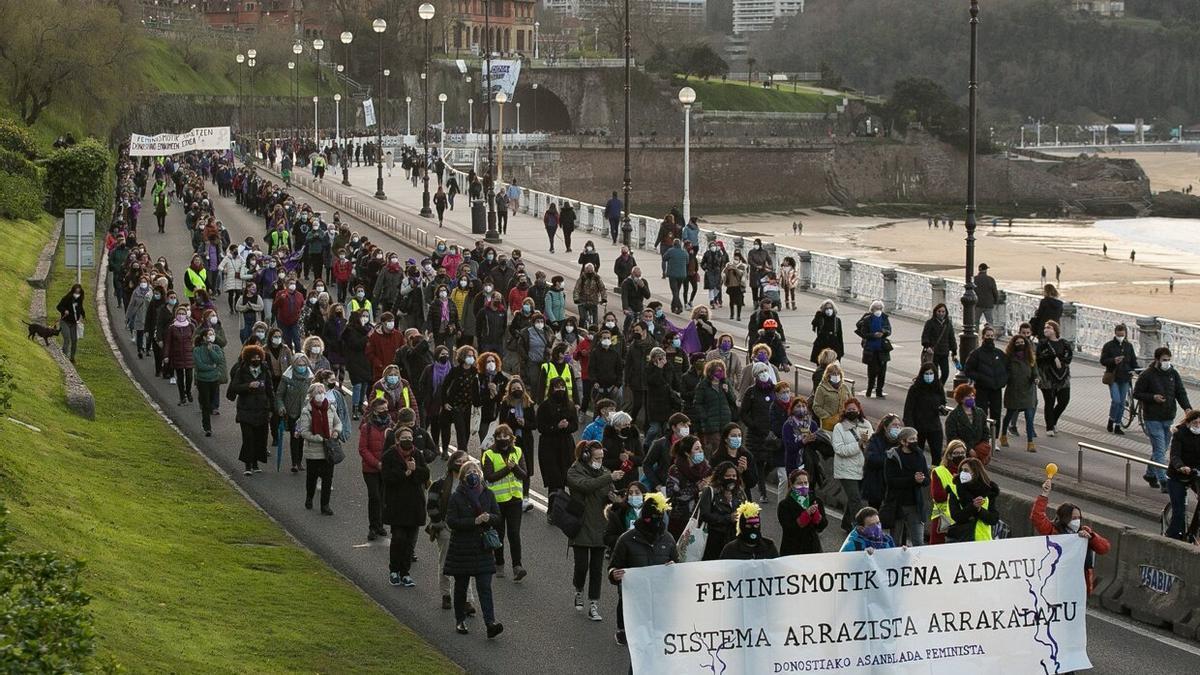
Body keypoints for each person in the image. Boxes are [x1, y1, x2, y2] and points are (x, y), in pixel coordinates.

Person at [443, 460, 504, 639]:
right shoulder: (457, 497)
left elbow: (498, 517)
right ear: (462, 477)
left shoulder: (488, 494)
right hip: (462, 548)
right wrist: (473, 522)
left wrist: (489, 518)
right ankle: (460, 620)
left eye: (475, 470)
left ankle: (490, 622)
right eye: (469, 471)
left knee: (485, 586)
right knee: (461, 586)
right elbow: (451, 521)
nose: (473, 473)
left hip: (482, 548)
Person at [608, 493, 677, 646]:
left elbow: (676, 565)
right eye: (650, 518)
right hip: (634, 599)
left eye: (658, 518)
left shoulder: (669, 539)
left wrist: (673, 567)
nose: (654, 522)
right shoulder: (626, 539)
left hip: (658, 599)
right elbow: (613, 567)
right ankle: (623, 630)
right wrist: (614, 574)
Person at [567, 441, 622, 621]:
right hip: (581, 525)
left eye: (601, 458)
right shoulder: (574, 471)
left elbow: (609, 492)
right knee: (582, 566)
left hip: (600, 526)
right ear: (586, 456)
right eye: (596, 458)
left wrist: (614, 497)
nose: (600, 461)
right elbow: (586, 486)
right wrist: (609, 478)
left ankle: (593, 604)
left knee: (597, 569)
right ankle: (578, 590)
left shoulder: (605, 473)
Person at [1032, 478, 1111, 593]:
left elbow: (1105, 548)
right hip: (1057, 584)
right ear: (1064, 518)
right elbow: (1037, 517)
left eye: (1079, 518)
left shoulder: (1084, 532)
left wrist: (1091, 538)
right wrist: (1044, 494)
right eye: (1073, 518)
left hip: (1078, 586)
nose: (1077, 521)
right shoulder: (1053, 531)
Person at [1134, 347, 1191, 491]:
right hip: (1152, 418)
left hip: (1168, 417)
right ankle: (1163, 480)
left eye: (1168, 360)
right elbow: (1137, 393)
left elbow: (1180, 392)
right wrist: (1153, 397)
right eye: (1164, 360)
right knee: (1160, 449)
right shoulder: (1148, 374)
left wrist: (1187, 408)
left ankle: (1150, 474)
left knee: (1162, 449)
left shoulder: (1173, 373)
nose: (1167, 362)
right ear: (1157, 360)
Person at [382, 424, 429, 586]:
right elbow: (386, 477)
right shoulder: (389, 455)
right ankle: (394, 570)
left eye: (410, 438)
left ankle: (405, 572)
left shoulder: (417, 454)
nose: (407, 441)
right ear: (397, 440)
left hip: (414, 504)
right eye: (404, 438)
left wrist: (415, 471)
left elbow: (425, 474)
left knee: (410, 542)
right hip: (397, 504)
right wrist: (405, 473)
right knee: (398, 538)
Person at [480, 425, 529, 582]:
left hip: (514, 499)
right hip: (497, 502)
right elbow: (489, 477)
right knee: (499, 534)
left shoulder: (518, 451)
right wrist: (507, 469)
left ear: (511, 437)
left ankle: (517, 566)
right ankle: (499, 562)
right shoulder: (489, 454)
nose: (503, 439)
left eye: (505, 436)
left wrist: (513, 468)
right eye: (499, 437)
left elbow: (524, 474)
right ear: (495, 438)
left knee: (514, 534)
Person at [297, 382, 344, 515]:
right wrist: (318, 438)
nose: (321, 395)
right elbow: (304, 432)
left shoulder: (330, 408)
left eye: (322, 392)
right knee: (311, 477)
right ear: (312, 395)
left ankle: (325, 505)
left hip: (328, 449)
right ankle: (309, 497)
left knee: (328, 478)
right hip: (314, 450)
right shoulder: (307, 411)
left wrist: (336, 431)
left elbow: (338, 423)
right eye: (318, 392)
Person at [228, 345, 273, 475]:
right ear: (248, 358)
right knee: (248, 438)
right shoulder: (241, 370)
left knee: (260, 438)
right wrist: (248, 386)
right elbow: (234, 387)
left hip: (262, 409)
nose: (256, 359)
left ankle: (255, 463)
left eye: (259, 357)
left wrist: (272, 408)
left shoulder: (265, 370)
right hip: (245, 410)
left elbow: (270, 390)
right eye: (254, 357)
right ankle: (247, 466)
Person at [538, 377, 579, 516]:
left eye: (562, 387)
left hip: (566, 446)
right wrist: (556, 426)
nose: (560, 390)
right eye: (557, 387)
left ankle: (566, 510)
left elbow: (575, 425)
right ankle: (552, 511)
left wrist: (567, 426)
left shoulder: (570, 405)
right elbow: (541, 427)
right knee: (554, 480)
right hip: (549, 446)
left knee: (565, 478)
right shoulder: (545, 406)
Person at [881, 427, 929, 546]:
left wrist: (922, 480)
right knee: (895, 542)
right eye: (911, 439)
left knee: (918, 541)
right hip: (897, 505)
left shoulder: (919, 455)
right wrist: (913, 480)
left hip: (915, 505)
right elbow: (891, 481)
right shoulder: (892, 457)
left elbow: (927, 479)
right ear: (903, 442)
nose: (915, 441)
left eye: (916, 438)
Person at [832, 398, 871, 532]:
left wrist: (866, 445)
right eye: (849, 410)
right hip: (846, 470)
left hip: (861, 468)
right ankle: (859, 527)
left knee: (855, 498)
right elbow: (840, 450)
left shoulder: (866, 424)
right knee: (855, 500)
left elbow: (871, 445)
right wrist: (858, 444)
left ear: (859, 410)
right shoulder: (839, 427)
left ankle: (846, 523)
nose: (852, 412)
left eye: (854, 409)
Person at [697, 461, 747, 560]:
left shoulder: (740, 493)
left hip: (734, 539)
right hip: (714, 539)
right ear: (720, 476)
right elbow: (705, 515)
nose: (731, 478)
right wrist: (728, 518)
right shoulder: (710, 491)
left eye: (734, 476)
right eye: (728, 476)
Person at [664, 435, 711, 539]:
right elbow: (672, 498)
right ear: (687, 453)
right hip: (680, 520)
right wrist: (696, 488)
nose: (701, 451)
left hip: (702, 518)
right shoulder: (675, 470)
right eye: (697, 449)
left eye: (701, 448)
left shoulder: (706, 468)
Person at [964, 325, 1007, 438]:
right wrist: (980, 378)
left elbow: (1007, 369)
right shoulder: (976, 353)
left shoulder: (999, 353)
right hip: (982, 388)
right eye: (988, 336)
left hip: (996, 389)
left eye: (992, 336)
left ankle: (994, 438)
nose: (990, 338)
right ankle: (981, 436)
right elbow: (968, 369)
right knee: (981, 413)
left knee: (996, 413)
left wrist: (1003, 381)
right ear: (983, 337)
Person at [358, 398, 391, 540]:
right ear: (374, 411)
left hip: (386, 469)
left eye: (386, 409)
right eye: (381, 409)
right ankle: (373, 527)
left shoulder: (391, 427)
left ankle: (380, 525)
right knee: (374, 497)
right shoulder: (367, 427)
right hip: (370, 469)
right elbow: (363, 449)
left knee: (383, 498)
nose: (385, 412)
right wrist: (377, 463)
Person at [1000, 333, 1040, 453]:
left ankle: (1030, 442)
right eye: (1017, 343)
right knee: (1009, 414)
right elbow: (1004, 372)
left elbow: (1036, 372)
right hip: (1014, 390)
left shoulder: (1030, 357)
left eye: (1022, 343)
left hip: (1028, 391)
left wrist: (1036, 379)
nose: (1020, 345)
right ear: (1013, 345)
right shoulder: (1008, 358)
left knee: (1029, 416)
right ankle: (1003, 435)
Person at [277, 354, 315, 472]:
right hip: (292, 412)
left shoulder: (311, 378)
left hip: (306, 413)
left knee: (303, 438)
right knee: (295, 437)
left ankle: (300, 460)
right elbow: (279, 395)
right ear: (294, 365)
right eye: (299, 365)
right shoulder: (287, 377)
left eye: (304, 365)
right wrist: (281, 407)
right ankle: (295, 462)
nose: (302, 367)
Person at [903, 363, 947, 466]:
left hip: (934, 427)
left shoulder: (938, 387)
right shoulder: (915, 389)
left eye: (931, 373)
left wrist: (942, 409)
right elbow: (908, 411)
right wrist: (911, 431)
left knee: (937, 455)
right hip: (918, 428)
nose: (929, 376)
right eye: (926, 373)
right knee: (916, 455)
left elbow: (942, 402)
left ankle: (935, 477)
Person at [946, 457, 999, 543]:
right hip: (960, 539)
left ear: (975, 472)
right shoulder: (954, 490)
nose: (963, 473)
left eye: (966, 470)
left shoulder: (988, 491)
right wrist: (973, 507)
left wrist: (980, 510)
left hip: (983, 541)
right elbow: (956, 516)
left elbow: (993, 519)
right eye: (961, 470)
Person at [1165, 410, 1200, 540]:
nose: (1197, 425)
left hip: (1195, 474)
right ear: (1188, 423)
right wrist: (1180, 466)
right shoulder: (1180, 434)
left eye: (1199, 423)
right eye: (1195, 423)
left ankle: (1193, 532)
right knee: (1179, 511)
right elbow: (1174, 455)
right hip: (1177, 476)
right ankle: (1171, 537)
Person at [1100, 323, 1138, 435]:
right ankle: (1111, 419)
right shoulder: (1109, 346)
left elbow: (1133, 362)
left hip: (1125, 377)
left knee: (1121, 403)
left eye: (1122, 335)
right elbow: (1103, 360)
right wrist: (1113, 360)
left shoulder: (1129, 346)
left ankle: (1117, 425)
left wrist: (1138, 370)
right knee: (1116, 400)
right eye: (1118, 335)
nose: (1120, 337)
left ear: (1125, 334)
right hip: (1113, 377)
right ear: (1115, 334)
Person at [928, 441, 969, 545]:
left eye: (962, 453)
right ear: (949, 455)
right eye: (956, 453)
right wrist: (960, 493)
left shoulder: (968, 471)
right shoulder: (939, 471)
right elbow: (938, 496)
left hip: (963, 517)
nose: (960, 456)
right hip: (943, 519)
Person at [1037, 320, 1073, 437]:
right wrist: (1053, 357)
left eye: (1049, 328)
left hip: (1062, 375)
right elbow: (1039, 357)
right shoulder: (1042, 344)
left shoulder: (1064, 343)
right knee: (1050, 401)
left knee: (1064, 400)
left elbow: (1068, 357)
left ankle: (1054, 421)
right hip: (1047, 376)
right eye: (1045, 328)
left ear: (1055, 330)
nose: (1046, 329)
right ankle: (1049, 426)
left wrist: (1060, 360)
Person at [777, 469, 826, 555]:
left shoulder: (816, 501)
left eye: (806, 483)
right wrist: (805, 516)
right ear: (792, 485)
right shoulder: (784, 505)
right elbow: (788, 528)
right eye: (799, 483)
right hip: (792, 549)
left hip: (813, 548)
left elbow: (822, 526)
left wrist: (817, 517)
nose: (803, 486)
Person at [192, 326, 227, 437]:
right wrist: (212, 367)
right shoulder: (197, 350)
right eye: (208, 335)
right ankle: (207, 427)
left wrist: (210, 350)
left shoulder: (216, 348)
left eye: (212, 335)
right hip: (203, 380)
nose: (211, 337)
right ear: (203, 337)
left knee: (211, 401)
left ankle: (208, 408)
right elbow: (200, 365)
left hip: (214, 380)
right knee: (206, 404)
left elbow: (219, 360)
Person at [855, 300, 892, 399]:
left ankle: (879, 390)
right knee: (872, 371)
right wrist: (873, 335)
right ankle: (869, 389)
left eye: (880, 308)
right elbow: (863, 333)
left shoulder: (884, 318)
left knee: (882, 371)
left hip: (882, 348)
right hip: (871, 349)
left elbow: (889, 330)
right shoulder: (867, 319)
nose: (878, 310)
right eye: (876, 308)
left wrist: (884, 333)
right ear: (872, 309)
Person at [163, 304, 196, 406]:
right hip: (177, 355)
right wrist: (166, 356)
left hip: (189, 355)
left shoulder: (191, 326)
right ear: (176, 315)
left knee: (189, 376)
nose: (181, 315)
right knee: (180, 377)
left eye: (183, 313)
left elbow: (195, 339)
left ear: (186, 315)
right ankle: (182, 396)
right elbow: (168, 343)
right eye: (179, 313)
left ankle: (188, 391)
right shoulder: (172, 328)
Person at [920, 304, 957, 385]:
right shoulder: (930, 323)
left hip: (944, 352)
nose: (941, 313)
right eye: (939, 311)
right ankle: (935, 388)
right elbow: (925, 336)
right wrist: (927, 346)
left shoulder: (948, 324)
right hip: (933, 353)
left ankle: (939, 386)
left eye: (943, 311)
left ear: (946, 312)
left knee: (945, 373)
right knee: (934, 373)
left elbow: (951, 338)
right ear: (935, 312)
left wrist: (954, 351)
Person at [812, 364, 852, 431]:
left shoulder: (845, 387)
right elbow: (816, 407)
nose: (836, 376)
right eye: (833, 374)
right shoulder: (821, 388)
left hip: (845, 423)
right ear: (828, 375)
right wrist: (828, 417)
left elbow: (851, 402)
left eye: (838, 373)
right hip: (829, 425)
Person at [55, 283, 86, 363]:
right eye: (76, 292)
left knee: (74, 340)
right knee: (67, 338)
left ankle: (72, 358)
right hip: (65, 322)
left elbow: (81, 308)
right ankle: (64, 356)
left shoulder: (80, 299)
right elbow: (59, 306)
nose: (77, 294)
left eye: (78, 293)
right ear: (73, 291)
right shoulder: (67, 298)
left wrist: (83, 315)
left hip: (74, 323)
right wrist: (64, 310)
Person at [973, 263, 998, 328]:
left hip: (977, 304)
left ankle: (975, 335)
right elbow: (995, 292)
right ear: (986, 270)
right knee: (990, 322)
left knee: (975, 322)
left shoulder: (974, 279)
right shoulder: (990, 279)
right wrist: (995, 301)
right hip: (988, 304)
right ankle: (990, 334)